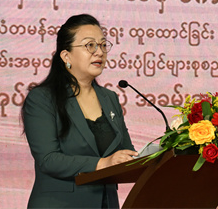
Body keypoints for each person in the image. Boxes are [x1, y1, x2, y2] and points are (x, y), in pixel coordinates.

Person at [22, 14, 138, 208]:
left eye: (103, 45)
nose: (99, 52)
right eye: (90, 45)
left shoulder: (109, 98)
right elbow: (48, 160)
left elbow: (125, 153)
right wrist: (102, 164)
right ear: (66, 56)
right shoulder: (42, 98)